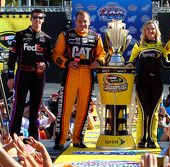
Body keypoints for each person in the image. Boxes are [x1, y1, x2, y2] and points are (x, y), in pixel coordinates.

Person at [53, 10, 106, 149]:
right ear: (75, 21)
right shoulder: (65, 35)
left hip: (87, 75)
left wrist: (98, 62)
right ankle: (61, 139)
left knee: (84, 108)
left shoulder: (96, 37)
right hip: (71, 73)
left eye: (85, 21)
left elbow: (102, 54)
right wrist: (66, 63)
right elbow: (56, 54)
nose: (83, 24)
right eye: (80, 21)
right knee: (65, 108)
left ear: (89, 22)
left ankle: (78, 139)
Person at [126, 20, 170, 148]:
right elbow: (131, 62)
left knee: (154, 113)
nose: (150, 31)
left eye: (152, 29)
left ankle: (152, 139)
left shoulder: (161, 46)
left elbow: (166, 63)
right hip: (142, 83)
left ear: (156, 31)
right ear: (144, 31)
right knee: (143, 112)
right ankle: (142, 139)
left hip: (157, 84)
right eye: (148, 29)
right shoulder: (138, 45)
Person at [7, 9, 52, 140]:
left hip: (38, 76)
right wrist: (10, 76)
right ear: (31, 19)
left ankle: (33, 137)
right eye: (35, 17)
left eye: (40, 18)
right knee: (18, 106)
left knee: (35, 107)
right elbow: (12, 57)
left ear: (43, 20)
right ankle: (13, 136)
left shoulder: (47, 39)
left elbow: (49, 59)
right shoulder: (20, 35)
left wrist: (46, 65)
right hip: (22, 73)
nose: (37, 20)